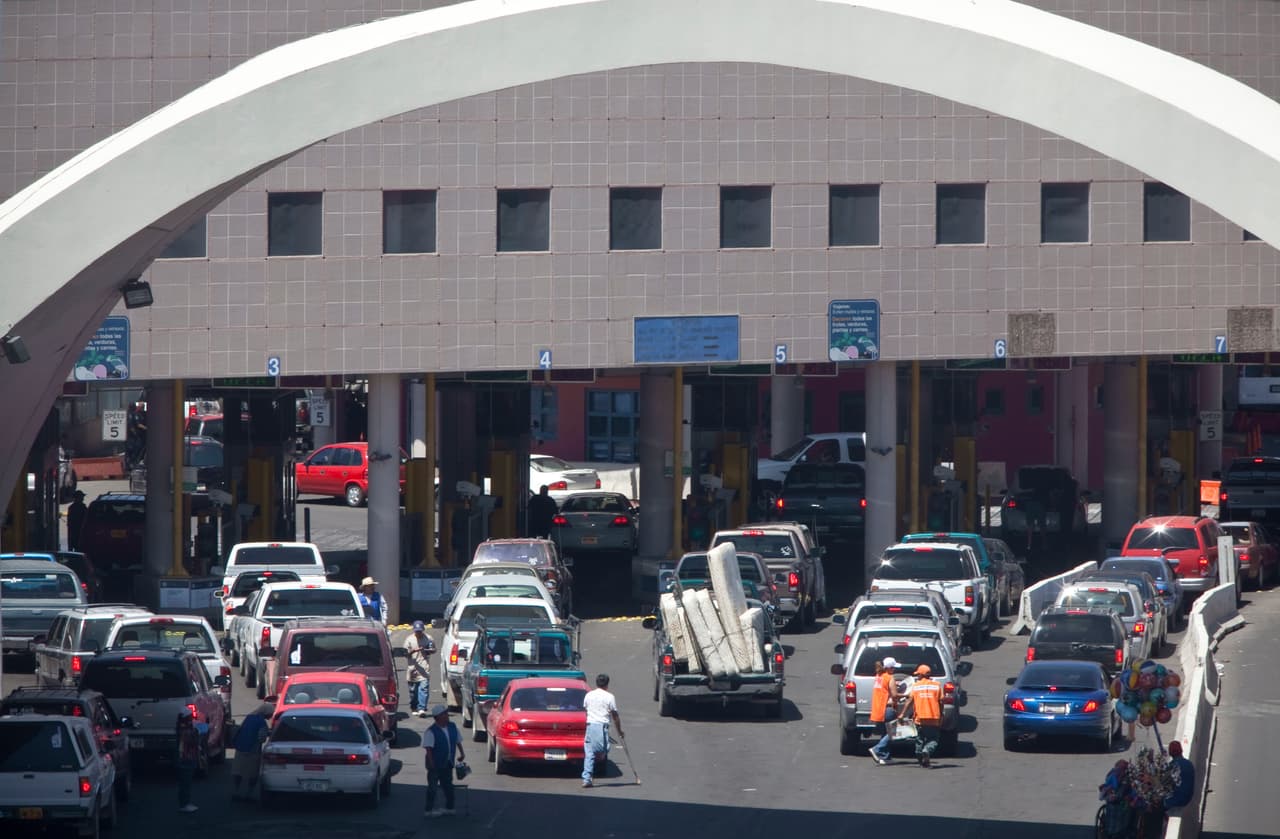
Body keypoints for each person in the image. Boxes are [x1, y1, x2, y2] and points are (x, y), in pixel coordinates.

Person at [582, 673, 623, 788]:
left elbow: (586, 709)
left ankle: (587, 778)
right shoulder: (609, 697)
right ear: (607, 684)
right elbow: (615, 715)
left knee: (589, 753)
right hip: (601, 726)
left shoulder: (589, 695)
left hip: (590, 726)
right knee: (603, 750)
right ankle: (587, 777)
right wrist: (620, 731)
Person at [423, 704, 464, 818]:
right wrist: (432, 763)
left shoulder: (452, 726)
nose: (447, 715)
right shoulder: (431, 731)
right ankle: (429, 810)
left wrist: (462, 753)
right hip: (435, 764)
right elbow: (428, 749)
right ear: (438, 717)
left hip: (448, 763)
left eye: (446, 713)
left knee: (448, 786)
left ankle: (450, 808)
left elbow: (457, 740)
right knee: (432, 788)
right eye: (444, 714)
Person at [901, 664, 943, 768]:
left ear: (921, 675)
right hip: (933, 718)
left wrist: (902, 714)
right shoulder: (937, 685)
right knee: (933, 739)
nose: (917, 676)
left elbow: (909, 701)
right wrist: (941, 714)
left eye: (918, 674)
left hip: (920, 718)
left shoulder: (916, 686)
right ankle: (927, 751)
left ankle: (921, 758)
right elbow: (941, 701)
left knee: (920, 739)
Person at [230, 702, 272, 800]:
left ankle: (236, 791)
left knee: (238, 771)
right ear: (267, 713)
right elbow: (262, 739)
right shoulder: (262, 722)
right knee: (253, 774)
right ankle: (249, 794)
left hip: (240, 747)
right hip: (253, 750)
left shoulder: (249, 717)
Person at [868, 657, 901, 765]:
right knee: (893, 732)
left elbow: (884, 689)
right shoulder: (890, 678)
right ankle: (877, 749)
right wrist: (907, 694)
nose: (894, 670)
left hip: (879, 708)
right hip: (888, 708)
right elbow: (895, 695)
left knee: (884, 732)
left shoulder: (879, 676)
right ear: (889, 668)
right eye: (893, 668)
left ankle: (884, 756)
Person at [175, 707, 208, 813]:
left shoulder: (184, 727)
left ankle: (185, 803)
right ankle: (184, 804)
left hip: (187, 757)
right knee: (185, 783)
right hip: (186, 758)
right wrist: (198, 731)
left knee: (186, 782)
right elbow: (192, 740)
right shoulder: (185, 729)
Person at [405, 620, 436, 717]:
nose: (418, 633)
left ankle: (422, 708)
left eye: (420, 631)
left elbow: (434, 649)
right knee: (413, 691)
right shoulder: (409, 640)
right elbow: (405, 654)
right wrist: (413, 651)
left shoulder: (429, 638)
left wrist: (426, 650)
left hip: (424, 668)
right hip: (413, 668)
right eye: (417, 631)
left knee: (424, 688)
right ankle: (414, 707)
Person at [1164, 741, 1195, 811]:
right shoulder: (1189, 764)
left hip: (1175, 801)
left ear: (1170, 753)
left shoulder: (1171, 766)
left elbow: (1163, 785)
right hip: (1187, 798)